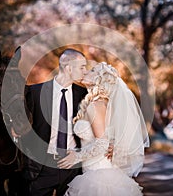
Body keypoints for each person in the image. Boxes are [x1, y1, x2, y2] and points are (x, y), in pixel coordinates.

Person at [57, 62, 150, 195]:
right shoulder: (103, 103)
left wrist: (76, 156)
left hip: (97, 175)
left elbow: (102, 143)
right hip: (101, 170)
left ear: (100, 79)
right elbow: (109, 138)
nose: (86, 71)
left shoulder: (95, 106)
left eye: (92, 70)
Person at [18, 49, 89, 196]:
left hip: (74, 167)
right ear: (69, 68)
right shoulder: (34, 92)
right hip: (42, 167)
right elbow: (23, 130)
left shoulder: (84, 95)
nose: (85, 71)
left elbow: (94, 133)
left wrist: (79, 155)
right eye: (82, 67)